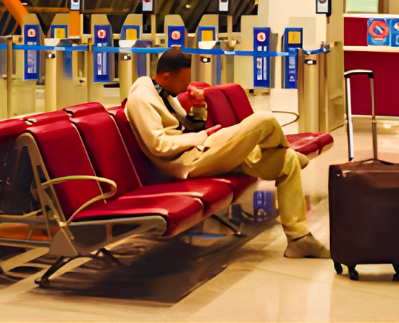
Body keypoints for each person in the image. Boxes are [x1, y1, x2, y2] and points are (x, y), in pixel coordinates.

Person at [124, 47, 330, 259]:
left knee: (287, 162)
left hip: (201, 151)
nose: (186, 87)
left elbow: (186, 126)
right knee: (264, 120)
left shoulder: (166, 94)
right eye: (184, 81)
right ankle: (282, 148)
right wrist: (203, 136)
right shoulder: (141, 98)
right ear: (166, 75)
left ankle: (299, 239)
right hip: (187, 162)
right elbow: (159, 145)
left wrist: (198, 108)